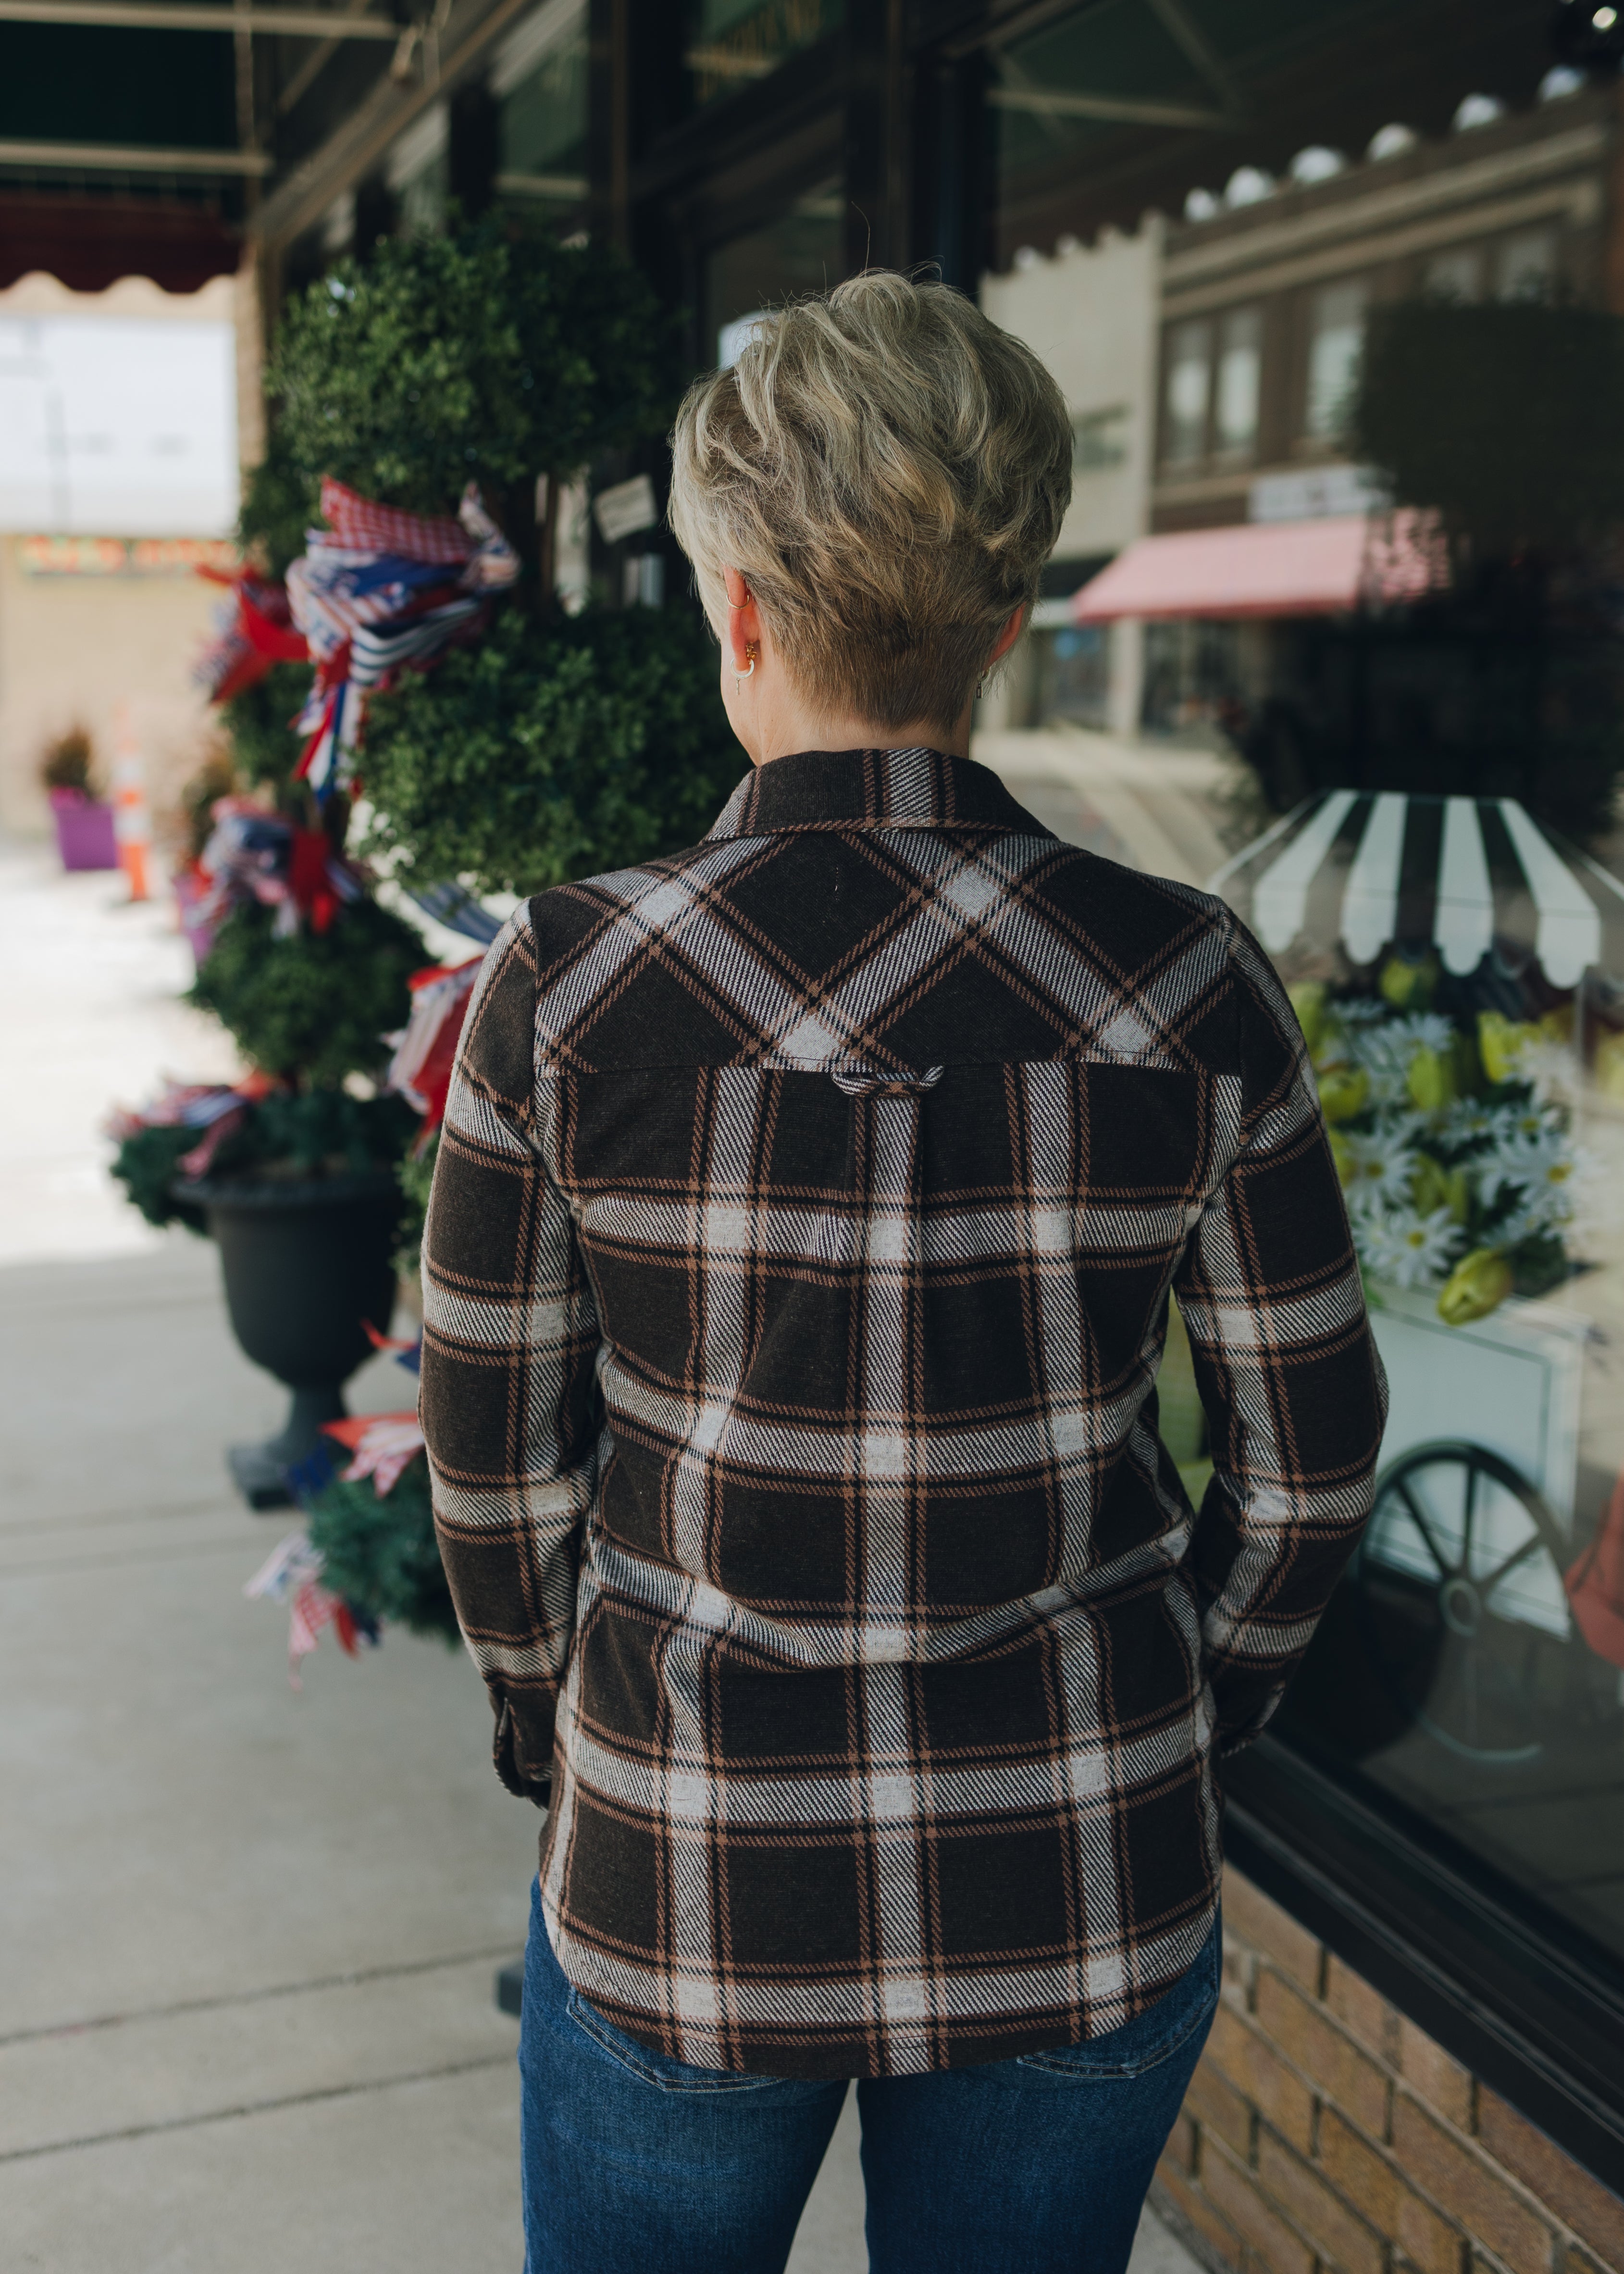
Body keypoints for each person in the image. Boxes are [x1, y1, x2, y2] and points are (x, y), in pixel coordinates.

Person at [418, 271, 1387, 2274]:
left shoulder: (570, 980)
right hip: (1082, 1868)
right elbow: (1305, 1474)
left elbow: (493, 1473)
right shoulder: (1188, 978)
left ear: (737, 608)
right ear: (1007, 620)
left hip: (686, 1869)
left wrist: (559, 1729)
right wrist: (1169, 1717)